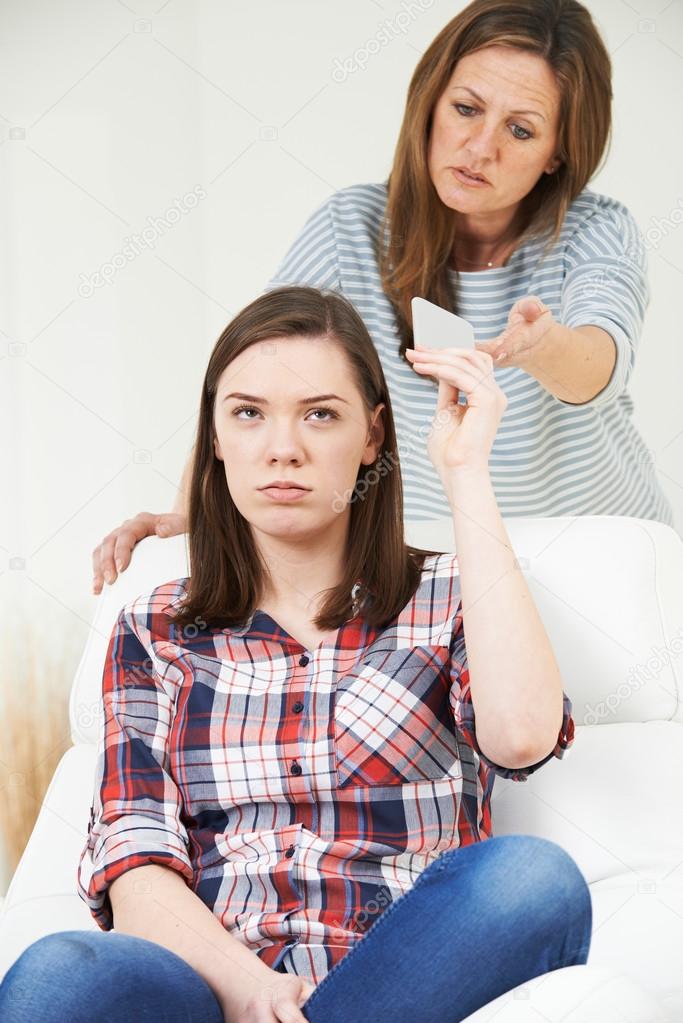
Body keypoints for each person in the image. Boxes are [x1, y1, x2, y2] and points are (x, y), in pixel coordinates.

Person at [0, 286, 591, 1023]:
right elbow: (136, 862)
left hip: (403, 978)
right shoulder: (153, 626)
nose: (283, 447)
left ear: (372, 436)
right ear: (215, 436)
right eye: (248, 413)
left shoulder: (456, 591)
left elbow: (522, 734)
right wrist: (250, 987)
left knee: (532, 879)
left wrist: (465, 468)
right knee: (64, 972)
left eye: (320, 414)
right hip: (213, 986)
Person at [91, 0, 673, 596]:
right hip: (431, 553)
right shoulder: (351, 227)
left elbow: (597, 364)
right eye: (465, 109)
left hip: (599, 552)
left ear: (558, 151)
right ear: (430, 101)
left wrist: (544, 346)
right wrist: (196, 515)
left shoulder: (598, 230)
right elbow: (261, 375)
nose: (479, 148)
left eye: (519, 129)